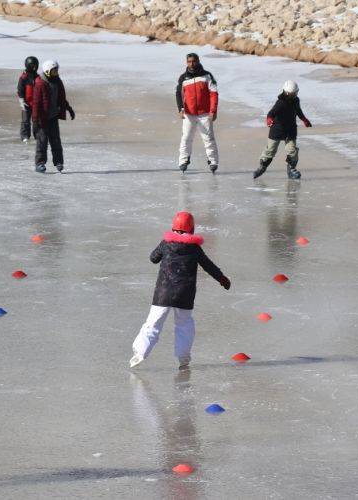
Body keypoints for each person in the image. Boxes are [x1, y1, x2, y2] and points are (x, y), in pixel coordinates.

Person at [130, 212, 231, 370]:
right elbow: (208, 266)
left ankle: (140, 352)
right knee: (184, 325)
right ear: (191, 228)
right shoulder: (195, 248)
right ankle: (183, 357)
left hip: (162, 294)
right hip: (185, 294)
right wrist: (222, 278)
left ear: (173, 227)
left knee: (153, 324)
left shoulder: (165, 243)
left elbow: (153, 258)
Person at [254, 80, 312, 180]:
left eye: (296, 92)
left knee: (292, 150)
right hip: (277, 130)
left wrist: (304, 119)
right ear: (287, 93)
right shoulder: (281, 102)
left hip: (290, 130)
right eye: (294, 93)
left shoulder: (296, 100)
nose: (296, 95)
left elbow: (298, 111)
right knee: (270, 150)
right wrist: (269, 120)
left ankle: (291, 169)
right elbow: (271, 113)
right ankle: (262, 166)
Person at [175, 53, 219, 173]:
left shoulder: (207, 76)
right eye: (189, 61)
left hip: (204, 113)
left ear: (198, 61)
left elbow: (214, 94)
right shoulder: (183, 78)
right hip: (189, 114)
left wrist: (213, 111)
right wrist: (181, 109)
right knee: (186, 138)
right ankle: (183, 161)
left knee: (208, 138)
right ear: (186, 62)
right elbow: (179, 94)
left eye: (194, 61)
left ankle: (213, 162)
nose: (191, 64)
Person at [31, 60, 75, 173]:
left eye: (57, 70)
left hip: (53, 117)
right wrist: (35, 122)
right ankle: (40, 163)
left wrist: (68, 108)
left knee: (56, 141)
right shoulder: (40, 83)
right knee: (42, 142)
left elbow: (61, 98)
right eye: (54, 71)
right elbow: (36, 103)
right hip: (42, 119)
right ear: (47, 71)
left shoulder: (57, 81)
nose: (56, 73)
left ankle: (59, 162)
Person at [17, 56, 39, 144]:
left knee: (36, 121)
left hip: (36, 103)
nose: (34, 67)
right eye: (32, 65)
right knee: (25, 121)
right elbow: (20, 89)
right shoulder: (24, 77)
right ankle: (25, 136)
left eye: (35, 65)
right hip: (26, 103)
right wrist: (21, 100)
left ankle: (38, 136)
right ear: (28, 65)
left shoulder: (37, 77)